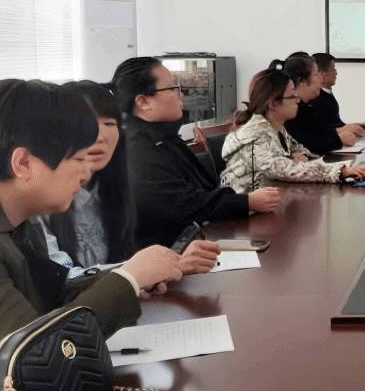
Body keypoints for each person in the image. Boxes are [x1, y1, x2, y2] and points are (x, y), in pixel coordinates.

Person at [0, 79, 185, 338]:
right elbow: (31, 350)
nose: (86, 172)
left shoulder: (21, 226)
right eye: (78, 159)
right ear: (23, 163)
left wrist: (134, 280)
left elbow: (55, 296)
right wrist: (127, 279)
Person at [43, 81, 220, 278]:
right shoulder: (39, 202)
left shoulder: (111, 187)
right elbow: (61, 281)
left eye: (109, 123)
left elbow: (126, 260)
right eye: (86, 124)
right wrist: (149, 271)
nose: (99, 136)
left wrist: (168, 264)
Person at [112, 57, 281, 249]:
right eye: (173, 87)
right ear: (143, 102)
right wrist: (247, 202)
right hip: (170, 256)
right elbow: (185, 206)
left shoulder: (163, 136)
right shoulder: (141, 151)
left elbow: (202, 192)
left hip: (197, 241)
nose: (181, 94)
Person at [220, 69, 365, 193]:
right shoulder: (255, 134)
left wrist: (300, 157)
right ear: (273, 103)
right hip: (243, 214)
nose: (298, 100)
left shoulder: (276, 127)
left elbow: (301, 150)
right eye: (292, 95)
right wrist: (342, 171)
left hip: (271, 199)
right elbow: (284, 169)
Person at [280, 53, 364, 153]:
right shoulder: (290, 110)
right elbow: (305, 143)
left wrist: (340, 132)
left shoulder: (306, 108)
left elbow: (320, 131)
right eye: (316, 74)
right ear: (301, 81)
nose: (320, 79)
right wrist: (338, 139)